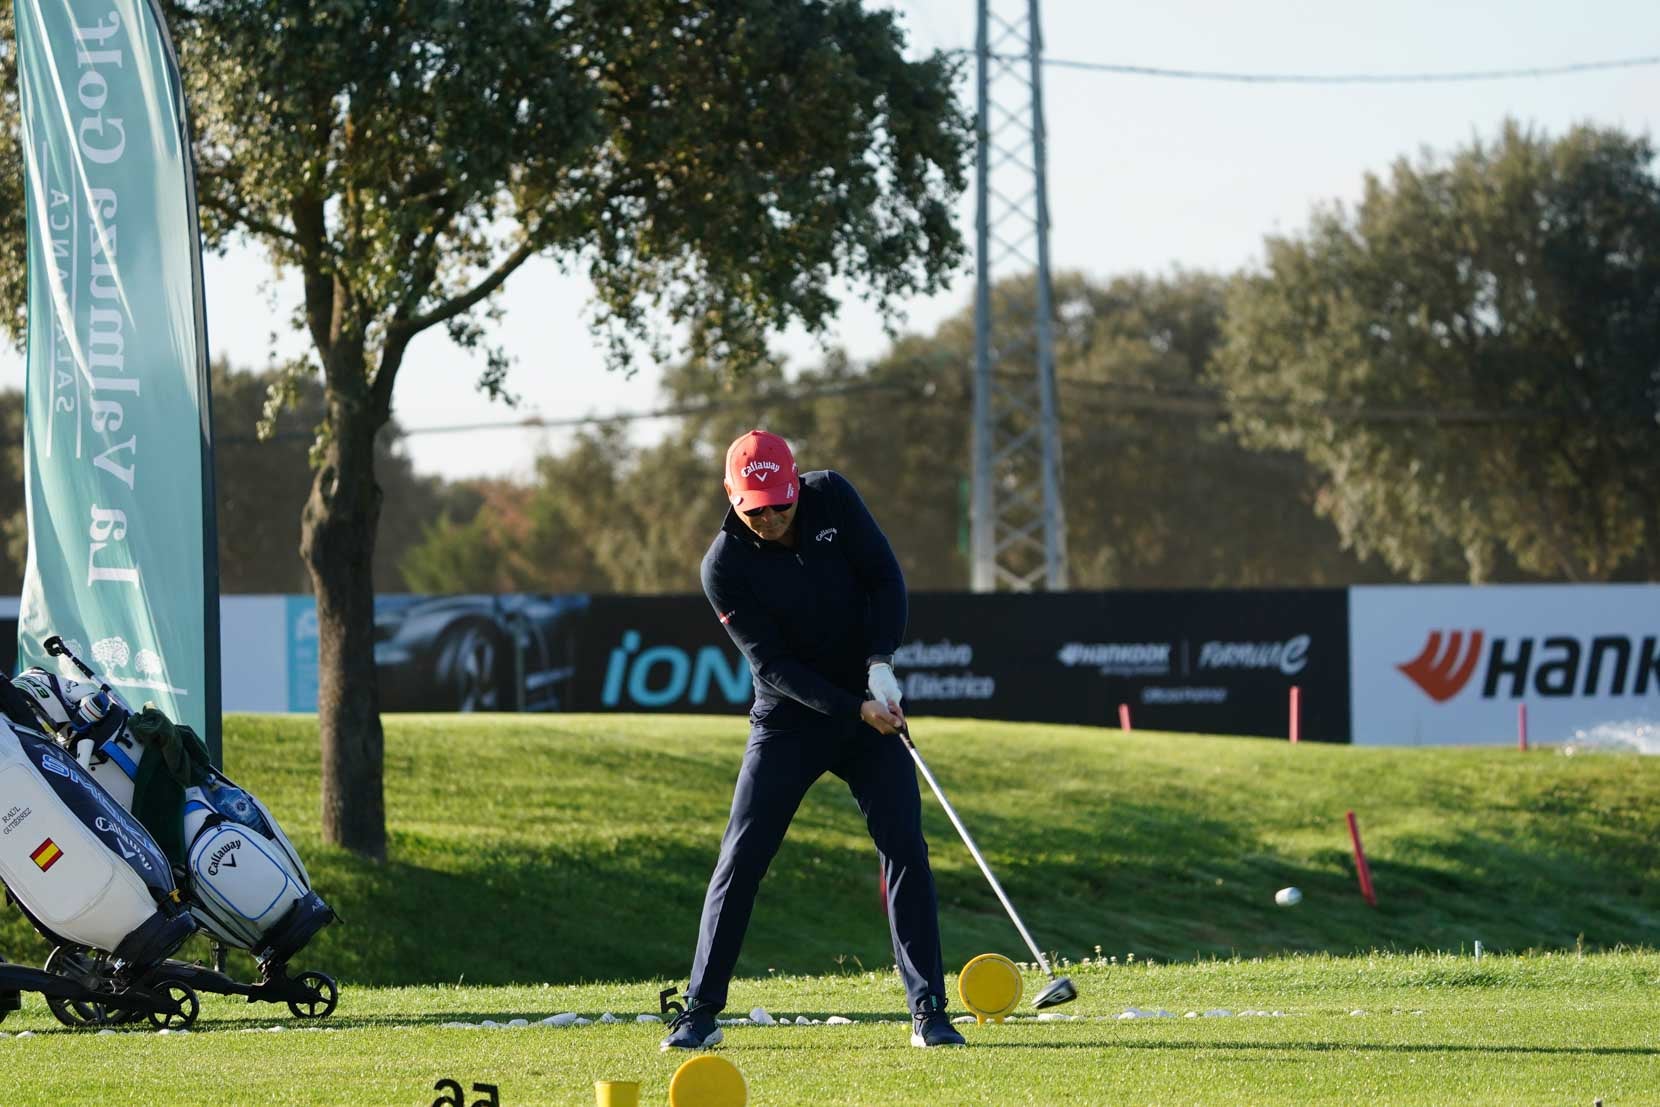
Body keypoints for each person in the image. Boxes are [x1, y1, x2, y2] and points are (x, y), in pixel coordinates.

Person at [660, 429, 965, 1051]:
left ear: (796, 484)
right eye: (755, 507)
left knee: (905, 847)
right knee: (741, 859)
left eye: (780, 502)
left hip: (869, 702)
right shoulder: (723, 565)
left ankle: (929, 1010)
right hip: (788, 722)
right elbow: (771, 665)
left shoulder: (833, 497)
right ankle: (698, 1013)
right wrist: (852, 706)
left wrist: (880, 664)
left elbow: (885, 579)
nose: (770, 517)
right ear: (731, 496)